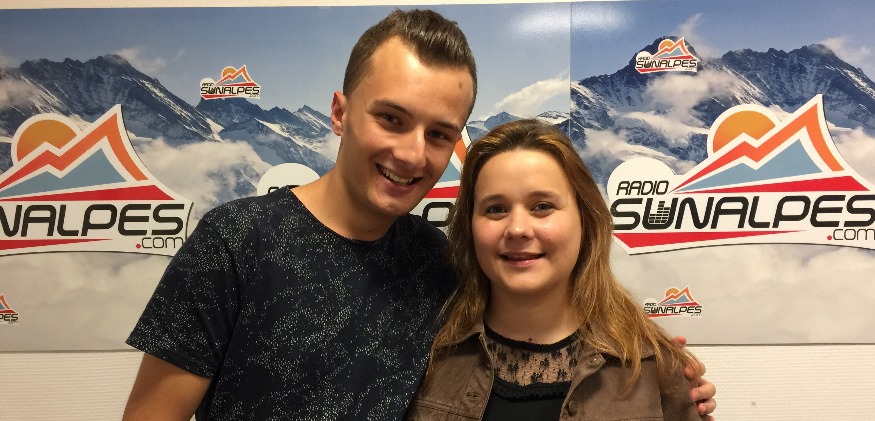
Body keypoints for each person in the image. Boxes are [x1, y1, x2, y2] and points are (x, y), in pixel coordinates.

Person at [123, 9, 716, 421]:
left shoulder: (439, 265)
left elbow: (551, 311)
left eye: (438, 133)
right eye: (391, 119)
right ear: (339, 112)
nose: (411, 154)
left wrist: (665, 380)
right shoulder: (236, 242)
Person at [406, 119, 714, 420]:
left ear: (584, 219)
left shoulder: (657, 368)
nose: (517, 229)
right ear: (470, 226)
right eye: (495, 209)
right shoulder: (423, 354)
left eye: (542, 206)